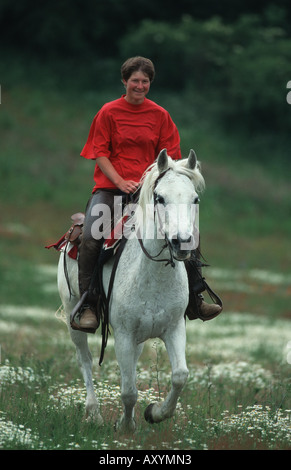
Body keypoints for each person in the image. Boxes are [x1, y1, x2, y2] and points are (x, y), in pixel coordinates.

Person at [76, 56, 222, 331]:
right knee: (91, 237)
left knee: (187, 232)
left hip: (151, 193)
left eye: (145, 81)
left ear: (150, 84)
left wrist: (154, 187)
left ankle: (195, 298)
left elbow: (172, 163)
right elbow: (100, 153)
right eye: (135, 81)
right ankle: (88, 305)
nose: (140, 86)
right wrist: (120, 181)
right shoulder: (108, 112)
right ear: (124, 81)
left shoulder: (160, 116)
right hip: (110, 189)